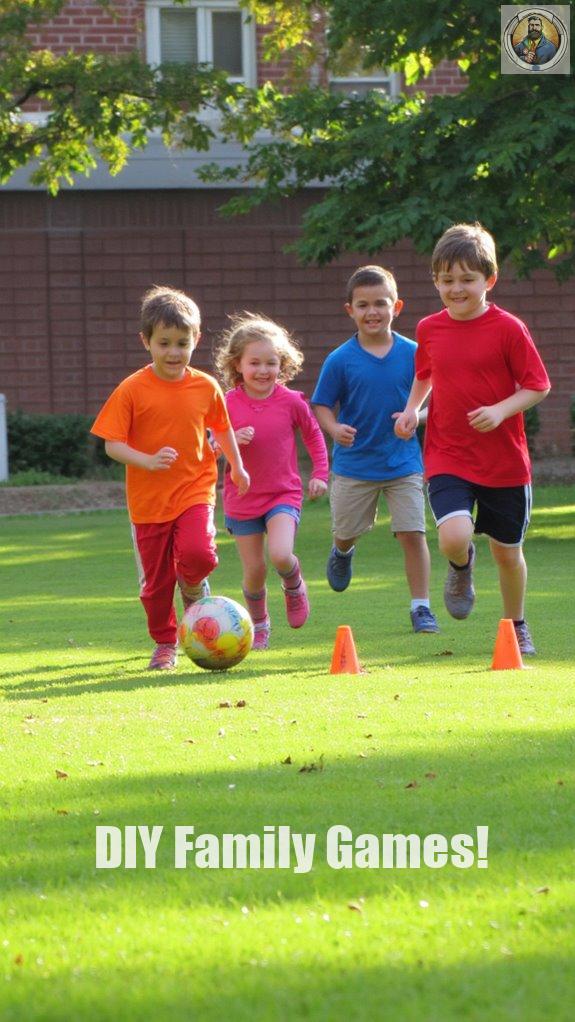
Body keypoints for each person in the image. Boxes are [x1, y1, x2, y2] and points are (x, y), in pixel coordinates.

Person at [393, 222, 551, 654]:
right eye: (447, 280)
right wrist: (412, 411)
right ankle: (461, 565)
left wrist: (500, 411)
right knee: (453, 535)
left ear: (489, 280)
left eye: (467, 279)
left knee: (507, 554)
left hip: (504, 462)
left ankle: (516, 625)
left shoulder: (509, 329)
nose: (456, 288)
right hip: (448, 452)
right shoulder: (429, 328)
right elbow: (425, 373)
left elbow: (538, 385)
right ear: (435, 281)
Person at [91, 285, 249, 670]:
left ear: (196, 338)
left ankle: (194, 587)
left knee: (198, 554)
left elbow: (223, 428)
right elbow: (112, 444)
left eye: (182, 342)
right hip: (148, 504)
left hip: (194, 488)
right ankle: (165, 643)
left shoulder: (205, 386)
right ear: (146, 342)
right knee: (156, 586)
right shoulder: (131, 389)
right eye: (164, 343)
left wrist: (238, 466)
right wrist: (146, 460)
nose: (174, 352)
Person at [311, 265, 440, 635]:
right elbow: (321, 405)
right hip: (355, 466)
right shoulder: (341, 359)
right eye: (363, 305)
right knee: (347, 531)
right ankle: (343, 551)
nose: (373, 312)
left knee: (412, 533)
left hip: (403, 463)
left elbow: (438, 398)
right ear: (349, 310)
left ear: (396, 306)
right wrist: (335, 428)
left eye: (380, 304)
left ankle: (421, 608)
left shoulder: (416, 354)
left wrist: (417, 415)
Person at [214, 313, 329, 650]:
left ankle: (294, 585)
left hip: (282, 494)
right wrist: (232, 439)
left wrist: (320, 474)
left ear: (283, 364)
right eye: (255, 363)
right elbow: (207, 445)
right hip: (242, 498)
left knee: (280, 555)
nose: (263, 371)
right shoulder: (226, 403)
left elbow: (314, 437)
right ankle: (260, 624)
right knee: (254, 571)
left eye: (271, 363)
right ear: (238, 364)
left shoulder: (291, 401)